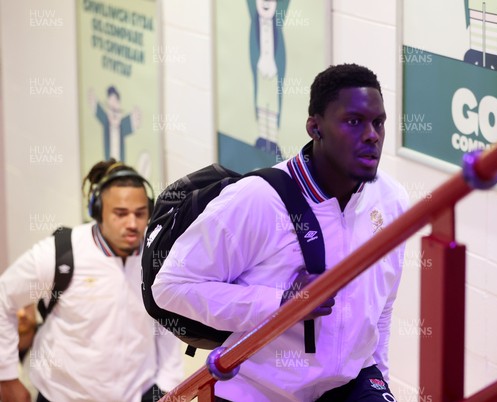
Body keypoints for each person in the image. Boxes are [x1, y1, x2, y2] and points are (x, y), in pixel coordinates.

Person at [152, 63, 409, 401]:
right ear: (315, 128)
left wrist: (381, 381)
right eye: (353, 122)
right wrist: (281, 303)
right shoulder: (256, 200)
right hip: (261, 389)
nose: (372, 135)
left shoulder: (392, 201)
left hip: (349, 385)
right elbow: (170, 288)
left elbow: (382, 308)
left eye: (378, 123)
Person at [0, 160, 183, 402]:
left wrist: (166, 386)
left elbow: (166, 324)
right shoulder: (60, 252)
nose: (132, 224)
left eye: (140, 214)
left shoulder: (156, 258)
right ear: (98, 211)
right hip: (61, 395)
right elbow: (4, 296)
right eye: (120, 213)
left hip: (136, 394)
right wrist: (7, 375)